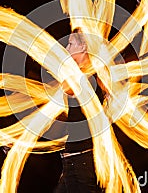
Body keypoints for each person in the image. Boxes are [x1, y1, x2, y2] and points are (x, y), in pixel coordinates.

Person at [53, 27, 105, 193]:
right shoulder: (83, 77)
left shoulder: (87, 79)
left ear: (83, 47)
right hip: (73, 160)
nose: (67, 49)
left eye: (70, 44)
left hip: (82, 161)